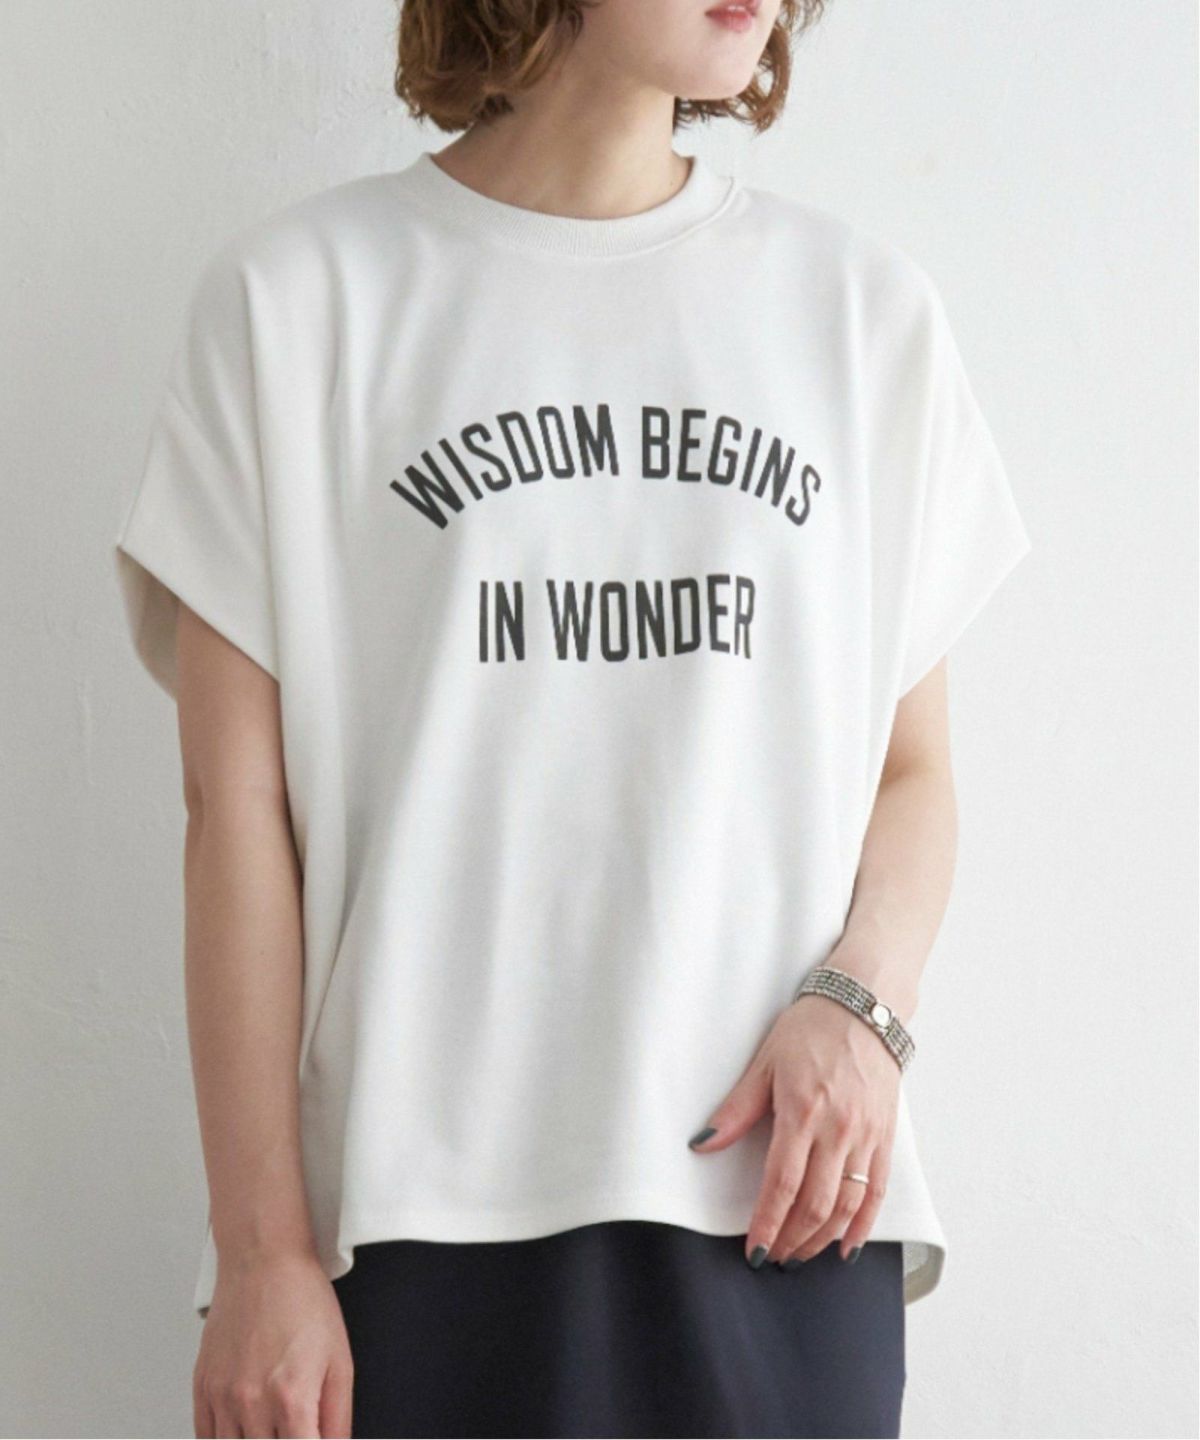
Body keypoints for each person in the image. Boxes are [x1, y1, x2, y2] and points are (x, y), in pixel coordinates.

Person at [111, 0, 1032, 1435]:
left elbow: (912, 773)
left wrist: (865, 1008)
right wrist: (262, 1253)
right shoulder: (297, 305)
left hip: (783, 1204)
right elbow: (235, 816)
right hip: (414, 1223)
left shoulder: (860, 316)